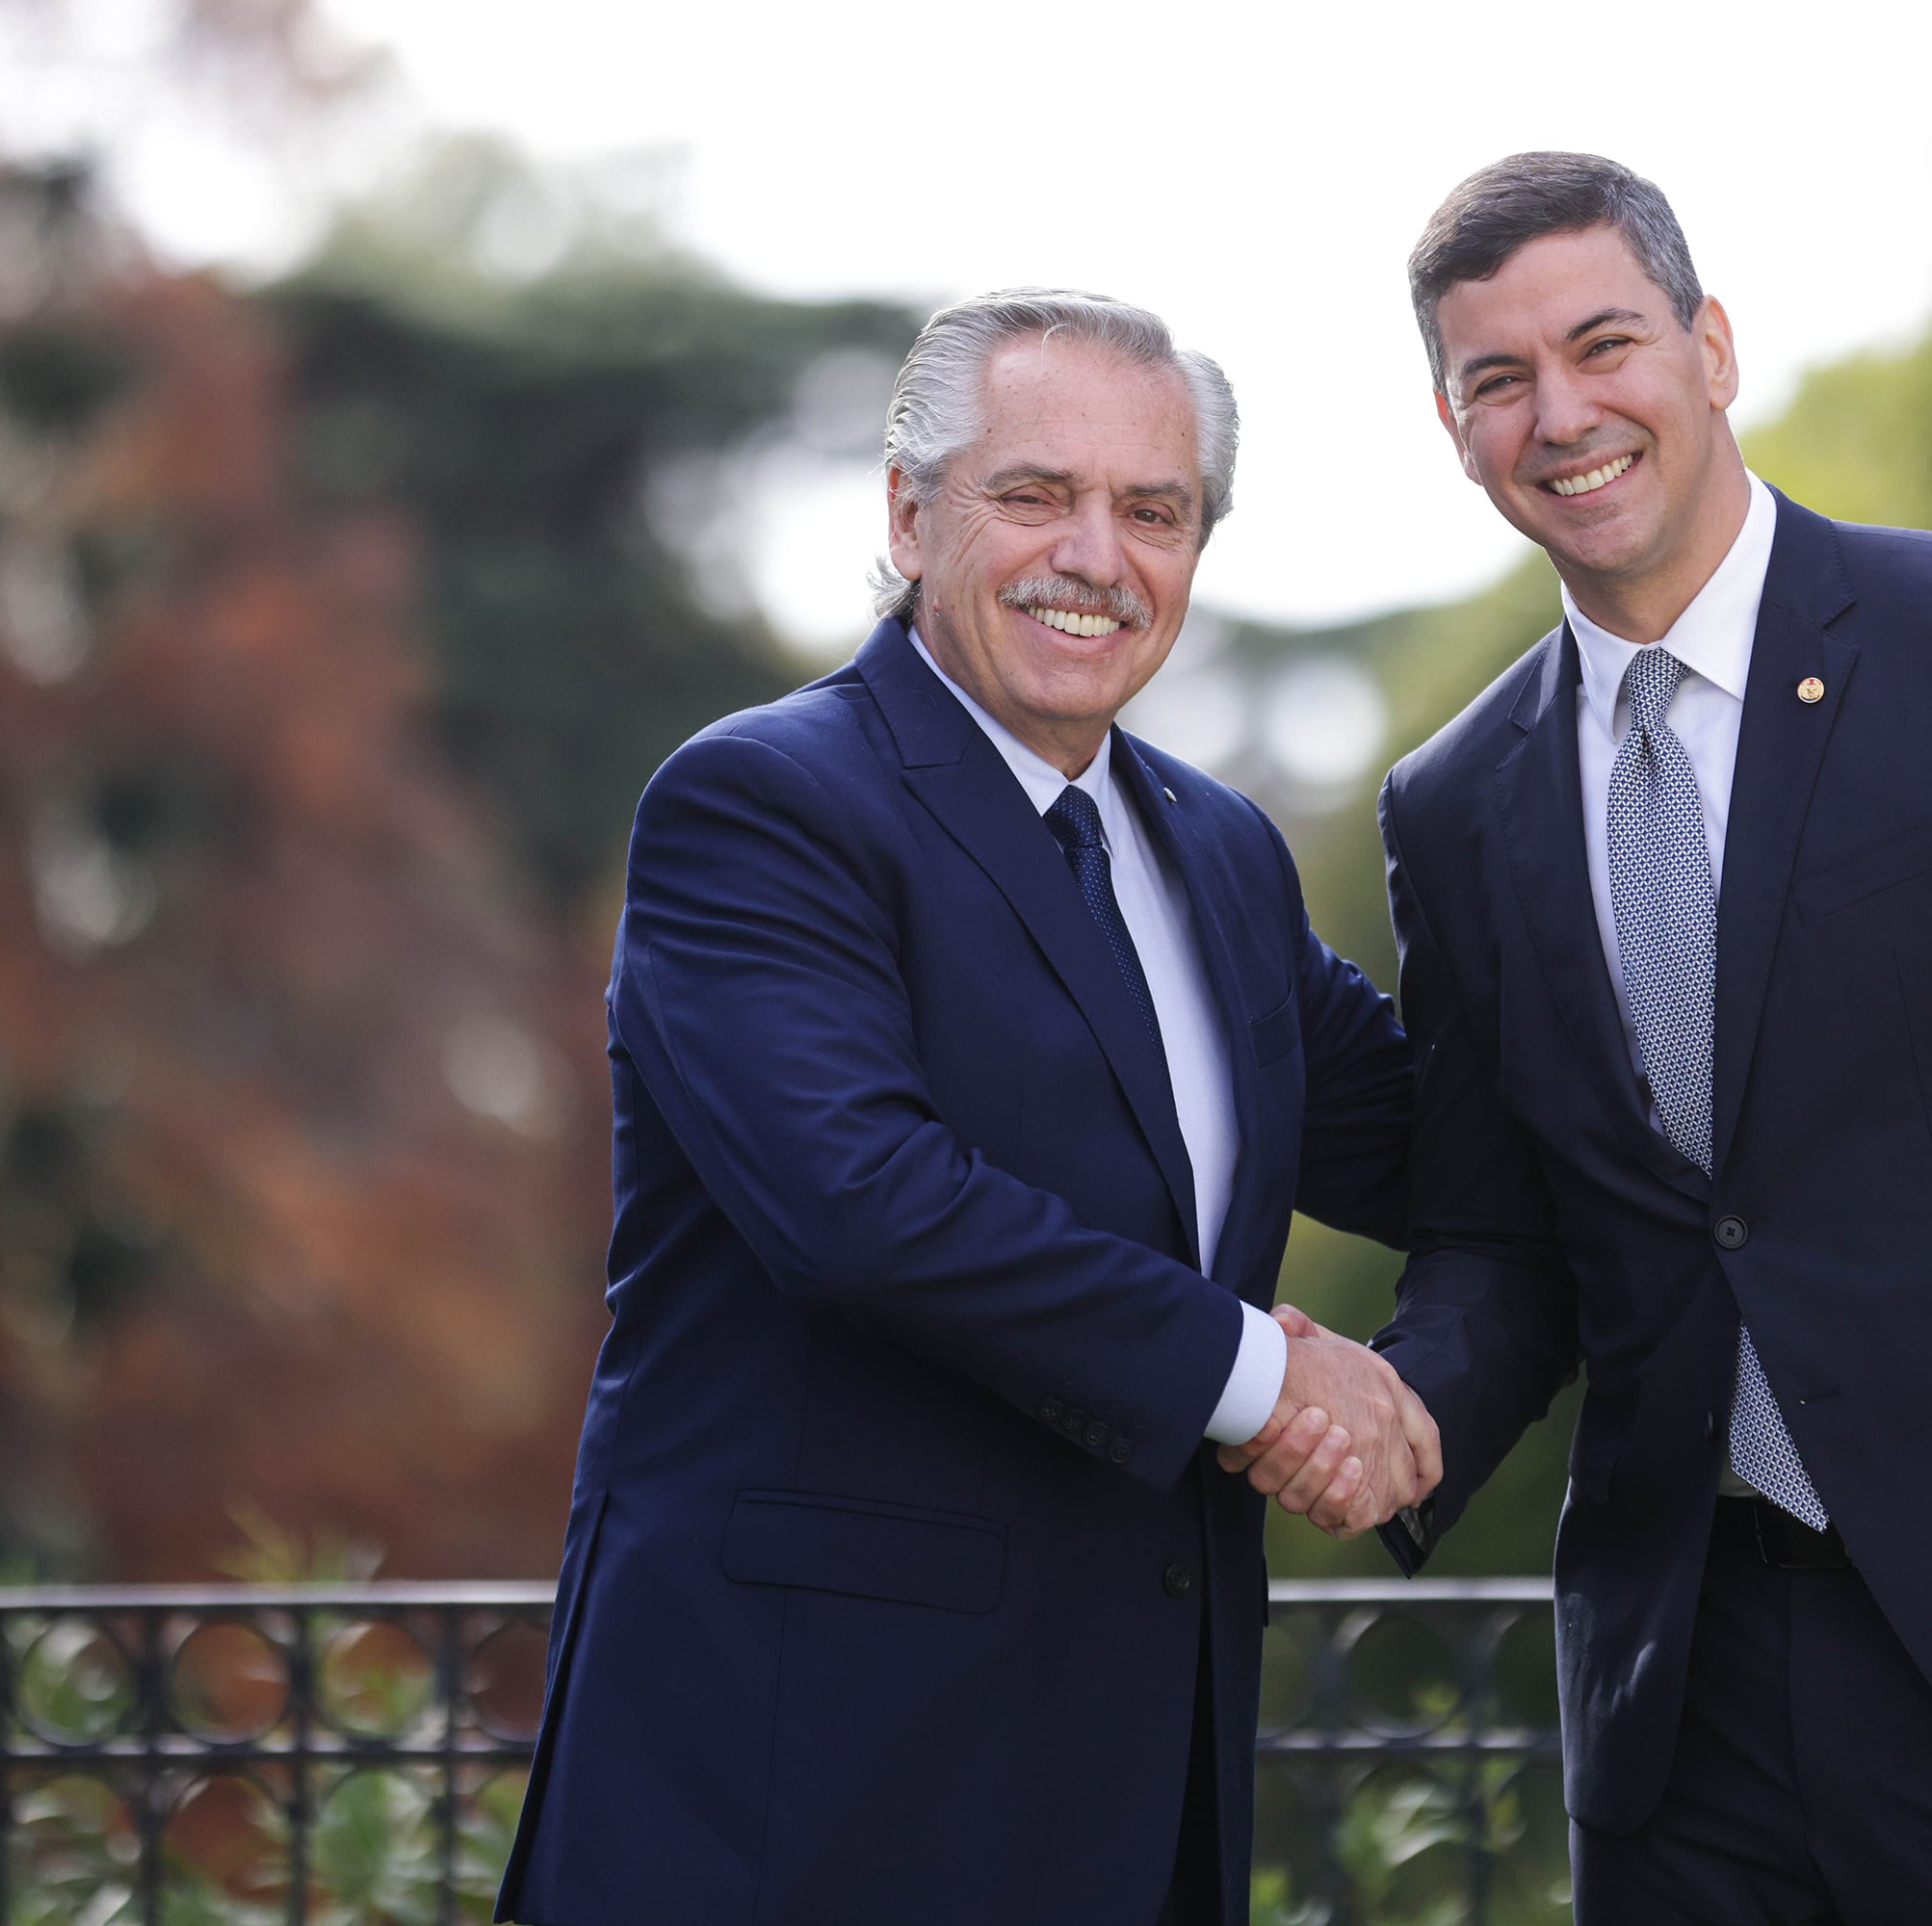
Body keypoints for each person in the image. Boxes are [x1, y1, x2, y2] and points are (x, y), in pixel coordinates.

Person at [1233, 153, 1932, 1920]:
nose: (1562, 414)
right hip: (1681, 1705)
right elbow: (1511, 1238)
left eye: (1603, 346)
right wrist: (1370, 1411)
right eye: (1498, 381)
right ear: (1452, 426)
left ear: (1711, 346)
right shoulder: (1455, 805)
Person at [495, 289, 1438, 1926]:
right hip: (802, 1800)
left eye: (1153, 512)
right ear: (909, 512)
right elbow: (865, 1204)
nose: (1098, 554)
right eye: (1034, 495)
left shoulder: (1221, 854)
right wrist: (1271, 1378)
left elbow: (1441, 1149)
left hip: (1138, 1795)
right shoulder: (765, 804)